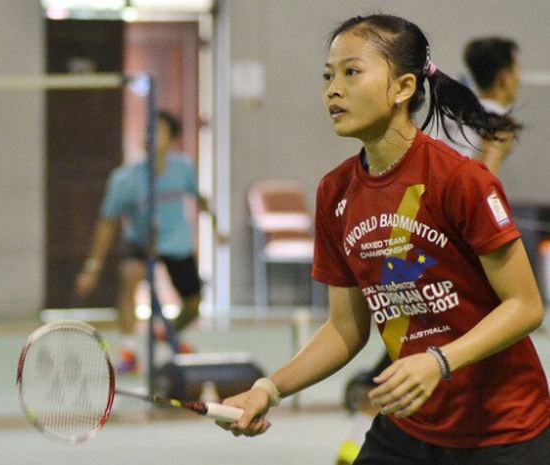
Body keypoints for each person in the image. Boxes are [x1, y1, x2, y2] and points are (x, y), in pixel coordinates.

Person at [218, 14, 550, 465]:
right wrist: (268, 388)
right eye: (328, 75)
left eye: (351, 72)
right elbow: (344, 328)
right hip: (410, 426)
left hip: (504, 432)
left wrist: (439, 361)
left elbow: (526, 306)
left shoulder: (460, 181)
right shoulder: (334, 193)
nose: (333, 89)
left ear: (403, 88)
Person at [337, 35, 523, 465]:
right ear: (506, 76)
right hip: (446, 249)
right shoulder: (498, 124)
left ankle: (352, 448)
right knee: (415, 367)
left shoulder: (449, 105)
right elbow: (481, 179)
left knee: (397, 366)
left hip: (400, 239)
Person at [76, 110, 220, 373]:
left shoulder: (184, 168)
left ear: (172, 139)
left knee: (194, 305)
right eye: (149, 131)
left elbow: (199, 198)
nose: (151, 137)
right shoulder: (125, 179)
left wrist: (215, 226)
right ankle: (129, 351)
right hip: (141, 244)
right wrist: (92, 268)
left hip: (176, 243)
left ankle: (168, 334)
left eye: (160, 131)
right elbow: (107, 223)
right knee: (131, 274)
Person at [438, 36, 521, 175]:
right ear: (504, 78)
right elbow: (482, 182)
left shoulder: (456, 111)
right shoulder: (501, 124)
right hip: (458, 194)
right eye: (518, 72)